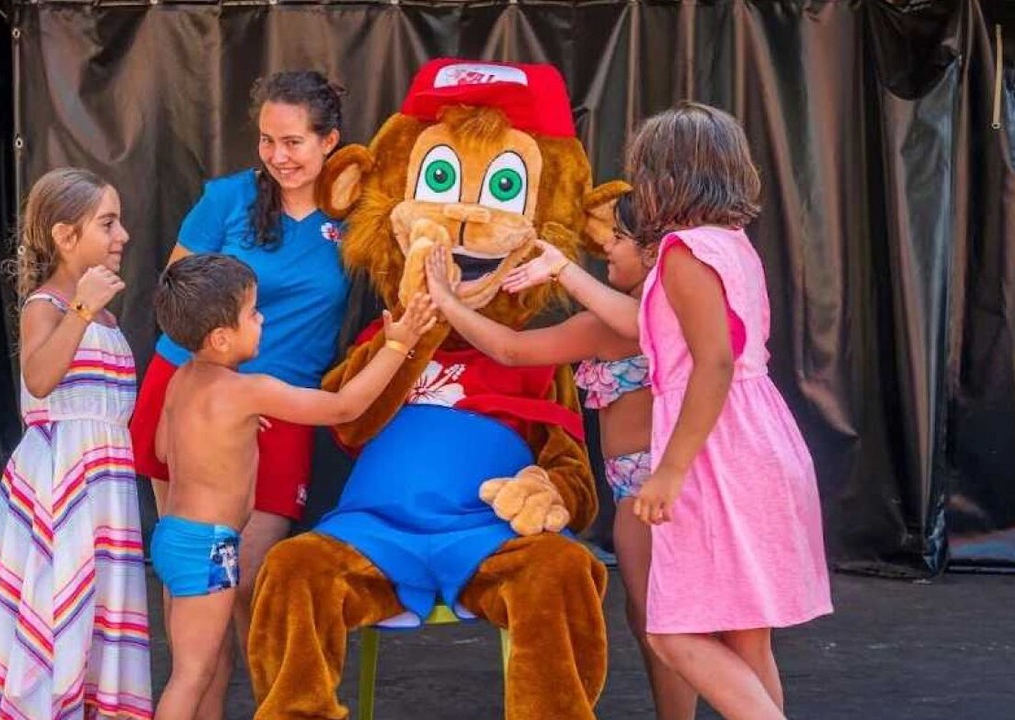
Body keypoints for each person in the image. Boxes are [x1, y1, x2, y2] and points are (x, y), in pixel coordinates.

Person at [500, 102, 833, 720]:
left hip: (720, 452)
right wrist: (566, 271)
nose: (639, 187)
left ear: (671, 177)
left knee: (671, 630)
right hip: (757, 438)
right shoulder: (729, 244)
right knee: (744, 635)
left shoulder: (682, 252)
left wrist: (671, 470)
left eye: (644, 172)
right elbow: (658, 333)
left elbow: (713, 363)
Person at [423, 191, 699, 719]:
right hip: (640, 487)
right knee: (664, 622)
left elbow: (514, 349)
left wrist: (450, 300)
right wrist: (449, 303)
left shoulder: (662, 319)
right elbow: (509, 349)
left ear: (653, 252)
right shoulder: (606, 324)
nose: (608, 250)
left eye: (617, 240)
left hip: (657, 486)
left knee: (662, 622)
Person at [127, 69, 350, 715]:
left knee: (252, 579)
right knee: (197, 595)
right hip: (190, 392)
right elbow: (176, 295)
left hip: (284, 405)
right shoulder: (226, 199)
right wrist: (212, 386)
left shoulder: (355, 217)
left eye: (294, 142)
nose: (278, 156)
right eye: (266, 140)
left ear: (329, 140)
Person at [148, 253, 434, 719]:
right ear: (221, 337)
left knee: (207, 666)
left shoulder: (182, 380)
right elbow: (343, 407)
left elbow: (163, 450)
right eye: (253, 313)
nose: (262, 319)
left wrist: (227, 431)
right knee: (192, 674)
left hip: (176, 537)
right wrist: (398, 346)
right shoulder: (249, 390)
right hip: (210, 549)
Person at [0, 168, 152, 719]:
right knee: (55, 618)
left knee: (96, 621)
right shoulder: (46, 306)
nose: (122, 236)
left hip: (104, 490)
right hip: (60, 488)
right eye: (108, 224)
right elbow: (40, 381)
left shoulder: (106, 317)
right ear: (65, 237)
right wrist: (80, 310)